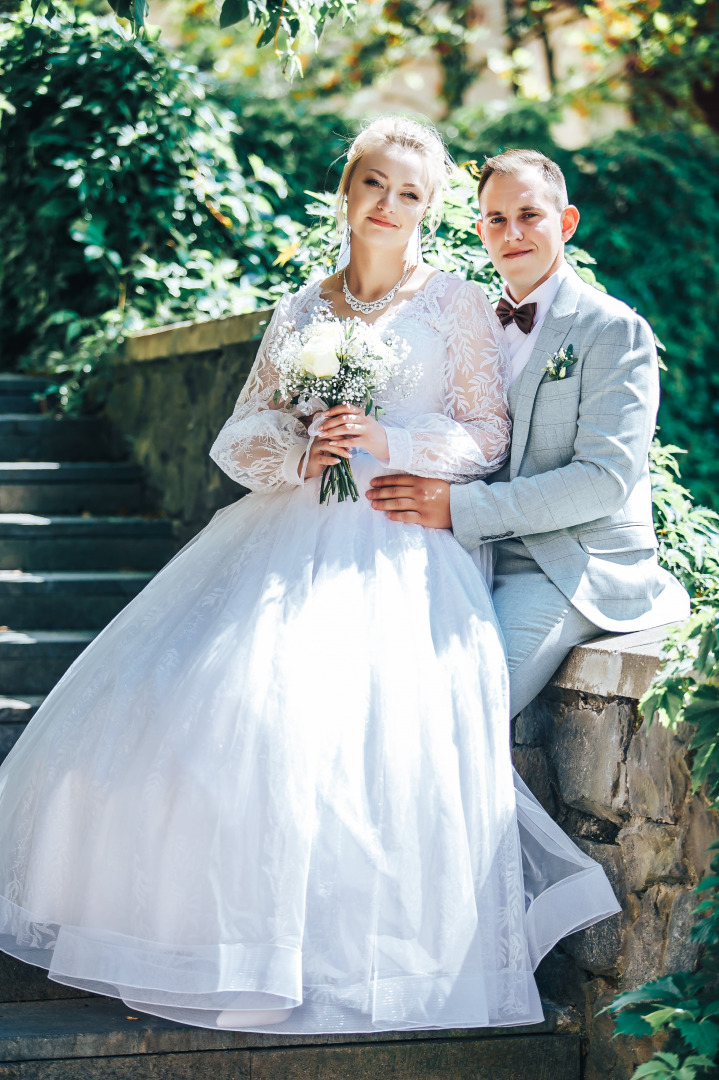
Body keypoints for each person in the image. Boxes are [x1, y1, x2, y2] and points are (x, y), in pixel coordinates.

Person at [0, 121, 620, 1036]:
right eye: (374, 184)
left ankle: (364, 964)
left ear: (431, 209)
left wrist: (385, 440)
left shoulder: (455, 305)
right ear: (347, 189)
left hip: (404, 532)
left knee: (354, 738)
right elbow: (238, 437)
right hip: (287, 529)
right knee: (210, 716)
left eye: (410, 193)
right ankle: (225, 945)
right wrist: (302, 444)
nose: (388, 205)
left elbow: (485, 441)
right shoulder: (300, 309)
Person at [368, 148, 690, 717]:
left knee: (459, 714)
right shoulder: (468, 324)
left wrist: (461, 508)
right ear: (481, 230)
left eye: (529, 215)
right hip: (464, 555)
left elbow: (602, 480)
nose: (512, 233)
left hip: (565, 566)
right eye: (496, 219)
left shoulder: (613, 329)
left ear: (565, 222)